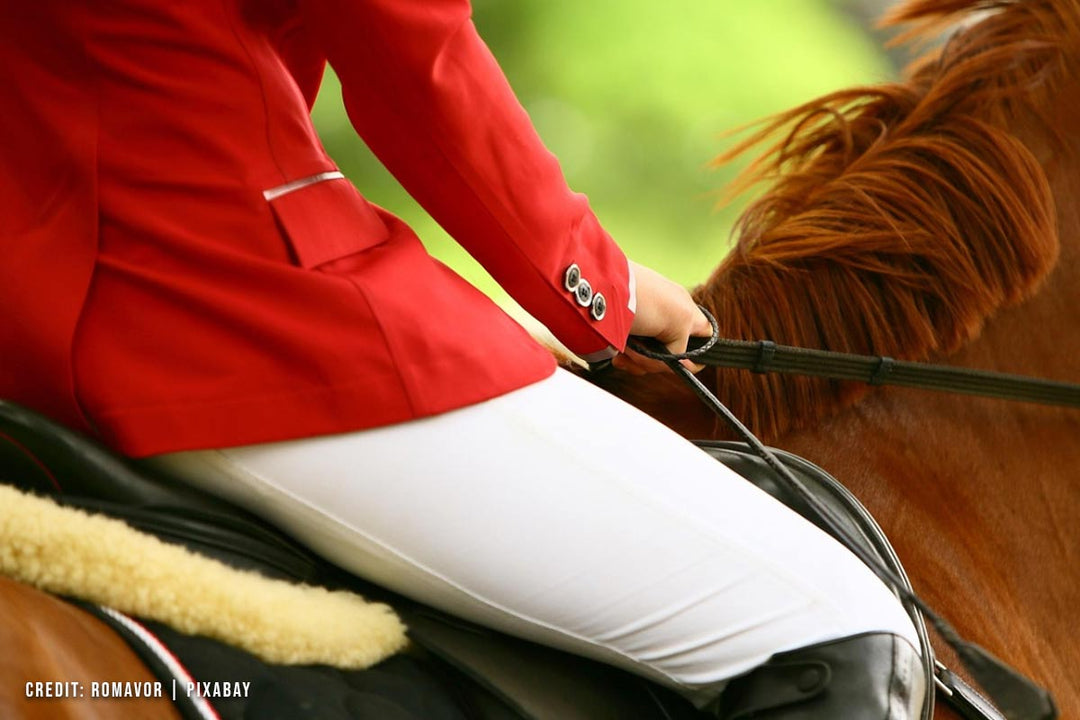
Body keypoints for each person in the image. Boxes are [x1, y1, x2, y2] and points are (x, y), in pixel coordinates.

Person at [0, 1, 925, 716]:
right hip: (229, 320)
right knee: (842, 632)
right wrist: (591, 277)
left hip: (33, 324)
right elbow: (415, 54)